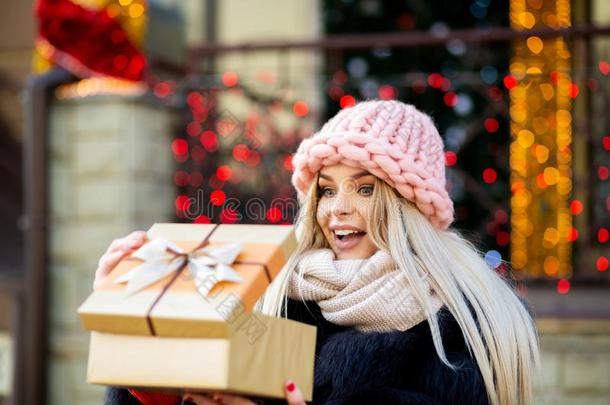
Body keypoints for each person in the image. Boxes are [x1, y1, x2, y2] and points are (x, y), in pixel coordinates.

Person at [98, 100, 542, 405]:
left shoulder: (463, 324)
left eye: (364, 188)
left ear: (409, 207)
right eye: (326, 191)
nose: (337, 209)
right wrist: (132, 316)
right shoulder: (278, 296)